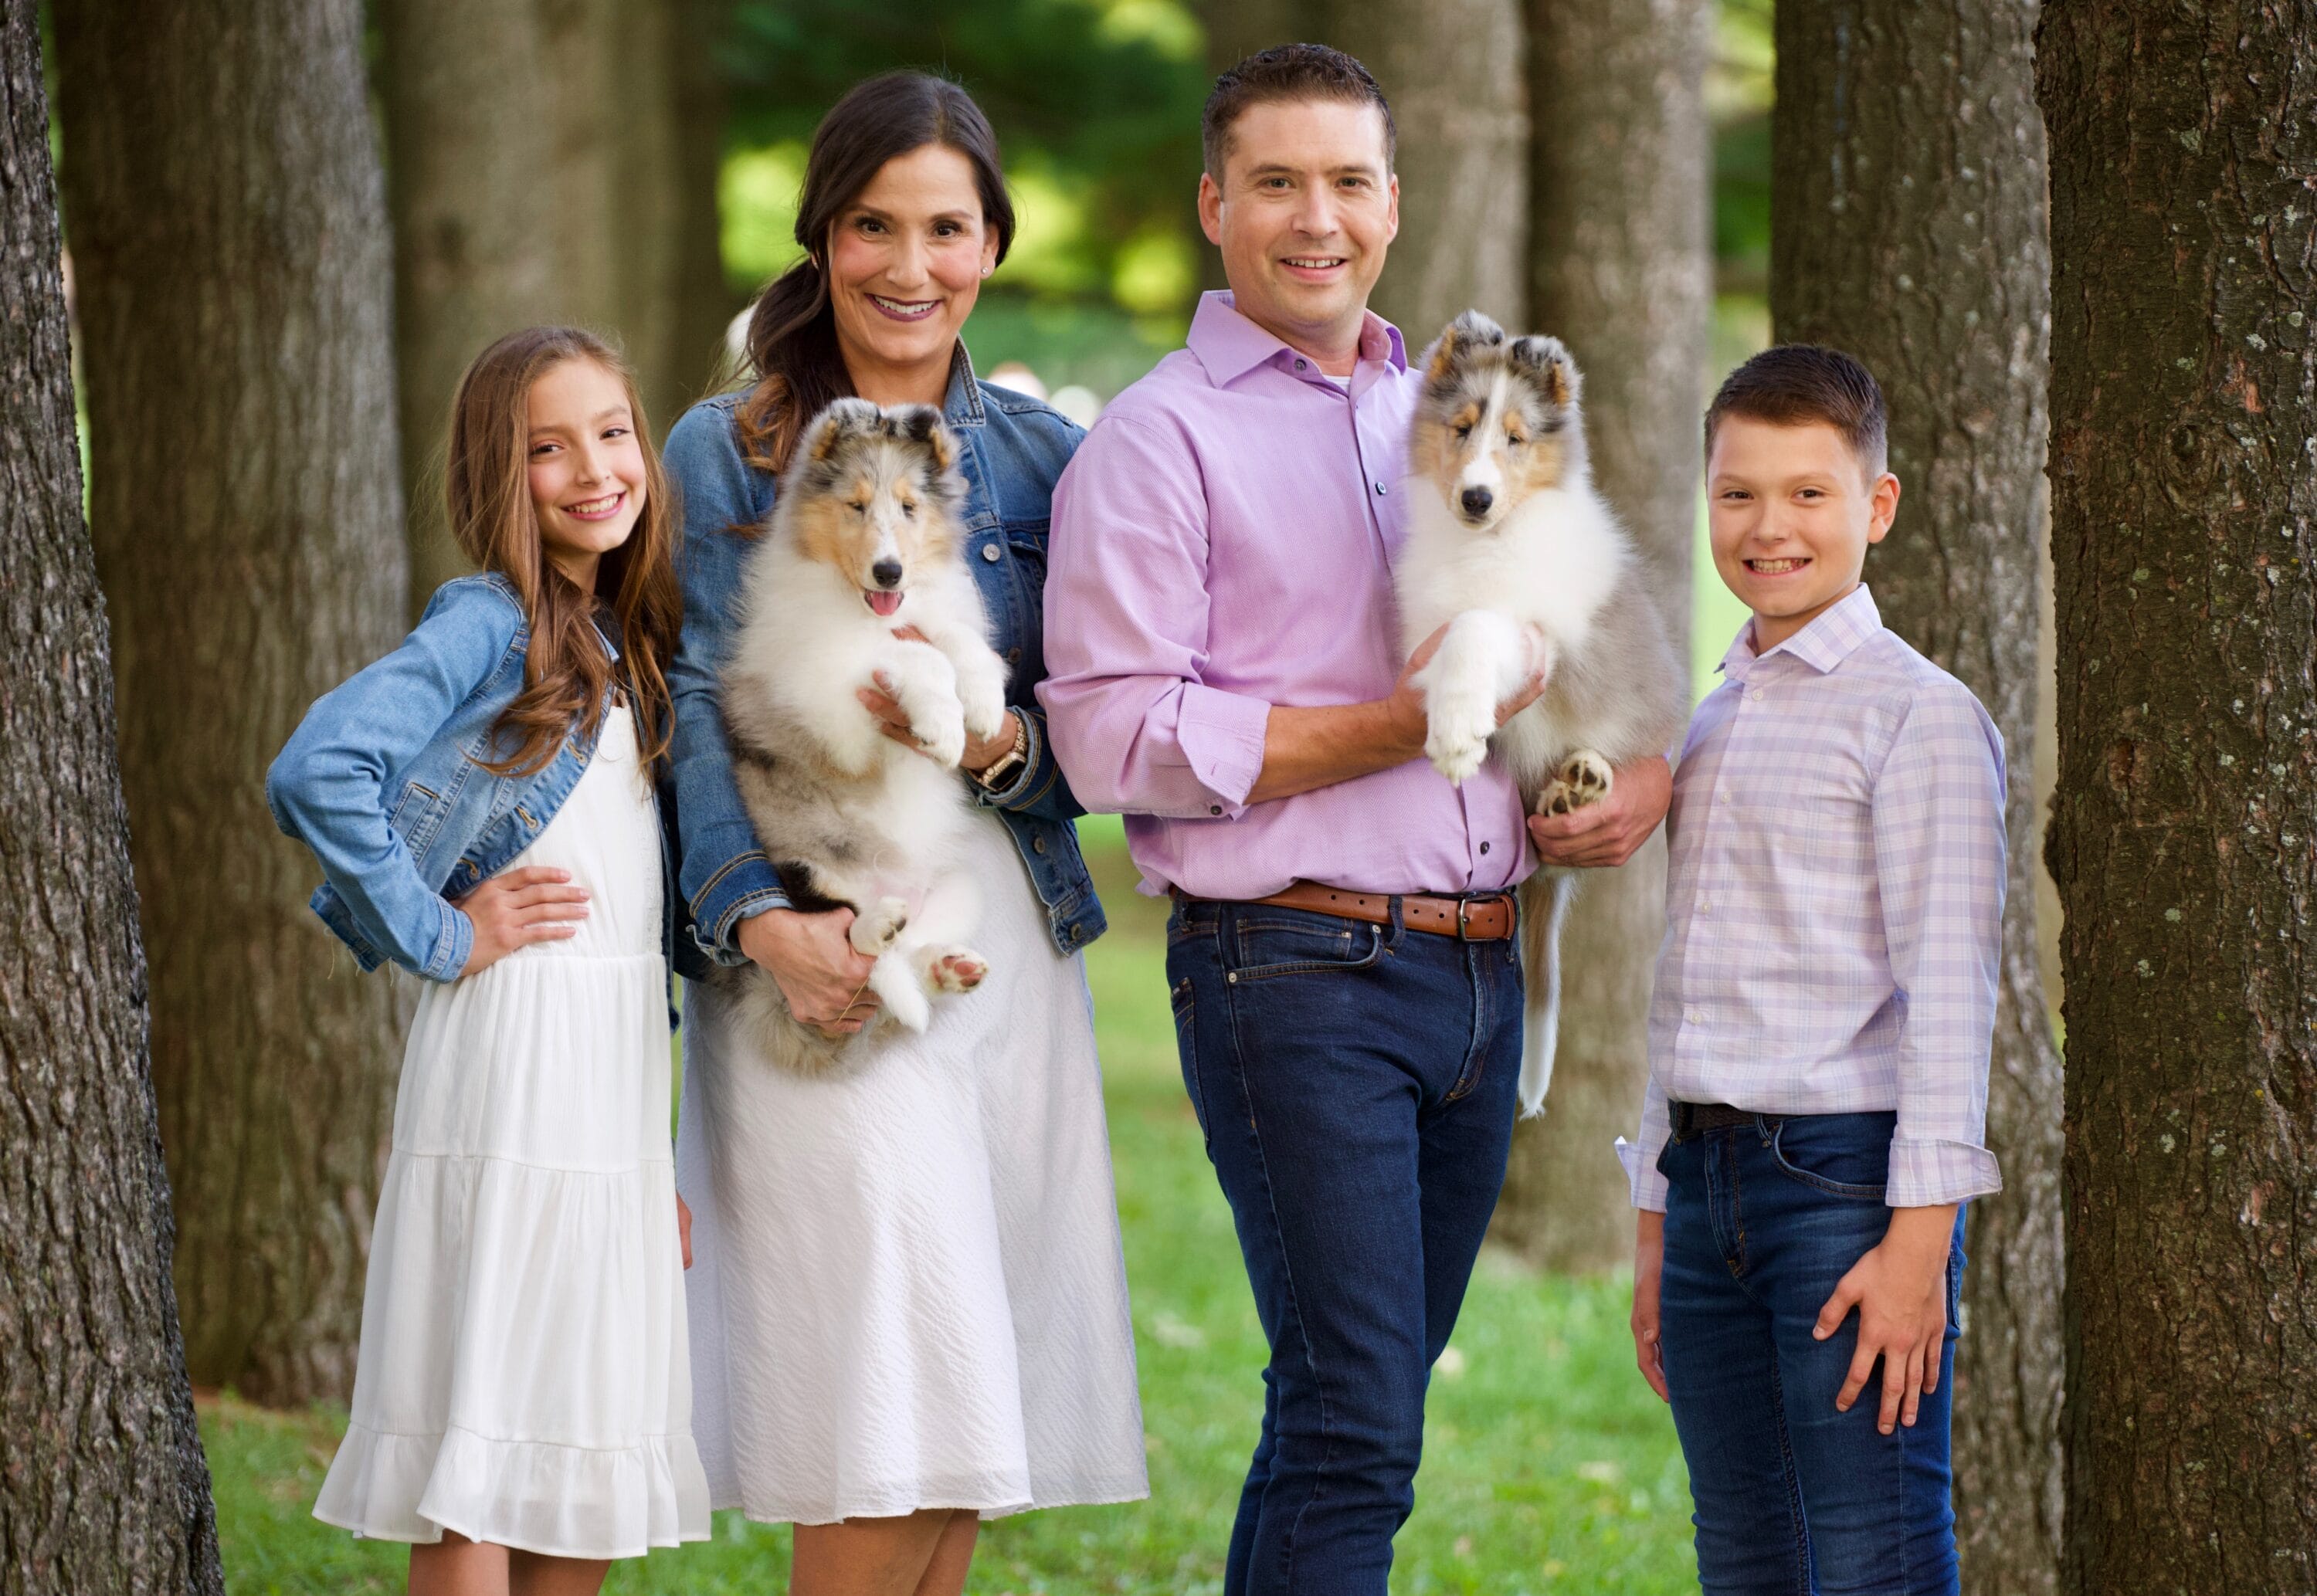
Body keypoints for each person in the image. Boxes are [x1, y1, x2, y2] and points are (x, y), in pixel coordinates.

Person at [1038, 44, 1673, 1596]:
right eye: (1274, 183)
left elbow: (1590, 593)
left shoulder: (1456, 411)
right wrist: (1406, 723)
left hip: (1478, 972)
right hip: (1294, 971)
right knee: (1356, 1411)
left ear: (1391, 202)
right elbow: (1115, 732)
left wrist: (1635, 776)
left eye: (1345, 182)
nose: (1312, 218)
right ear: (1213, 205)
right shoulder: (1157, 439)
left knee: (1349, 1416)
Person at [662, 70, 1147, 1596]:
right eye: (873, 225)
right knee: (872, 1400)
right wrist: (759, 918)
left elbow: (1107, 742)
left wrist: (1005, 739)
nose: (908, 266)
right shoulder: (724, 449)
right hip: (812, 934)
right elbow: (682, 704)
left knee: (955, 1412)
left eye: (946, 228)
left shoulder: (1047, 465)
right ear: (821, 238)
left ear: (994, 243)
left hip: (995, 943)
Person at [267, 326, 710, 1594]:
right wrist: (443, 932)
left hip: (606, 1099)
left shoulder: (634, 646)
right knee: (487, 1448)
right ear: (494, 477)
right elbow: (320, 767)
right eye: (546, 448)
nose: (592, 469)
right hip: (511, 1068)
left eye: (613, 433)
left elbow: (638, 934)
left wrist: (650, 1159)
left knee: (579, 1460)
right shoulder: (492, 621)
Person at [1621, 344, 2006, 1594]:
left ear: (1876, 507)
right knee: (1746, 1556)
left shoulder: (1918, 715)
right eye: (1738, 493)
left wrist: (1917, 1251)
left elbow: (1950, 1001)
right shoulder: (1715, 715)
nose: (1768, 526)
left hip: (1845, 1187)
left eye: (1808, 493)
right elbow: (1683, 987)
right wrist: (1653, 1224)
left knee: (1872, 1554)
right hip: (1707, 1183)